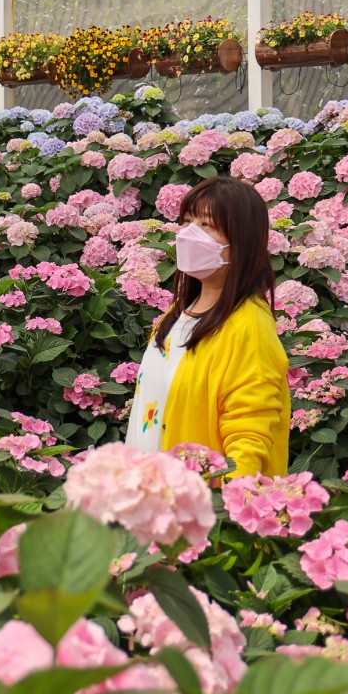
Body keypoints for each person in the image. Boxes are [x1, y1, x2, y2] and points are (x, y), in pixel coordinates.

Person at [125, 175, 290, 477]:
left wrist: (230, 511)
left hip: (198, 508)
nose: (189, 234)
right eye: (187, 221)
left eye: (207, 225)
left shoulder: (248, 326)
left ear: (241, 240)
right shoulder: (178, 313)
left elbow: (249, 434)